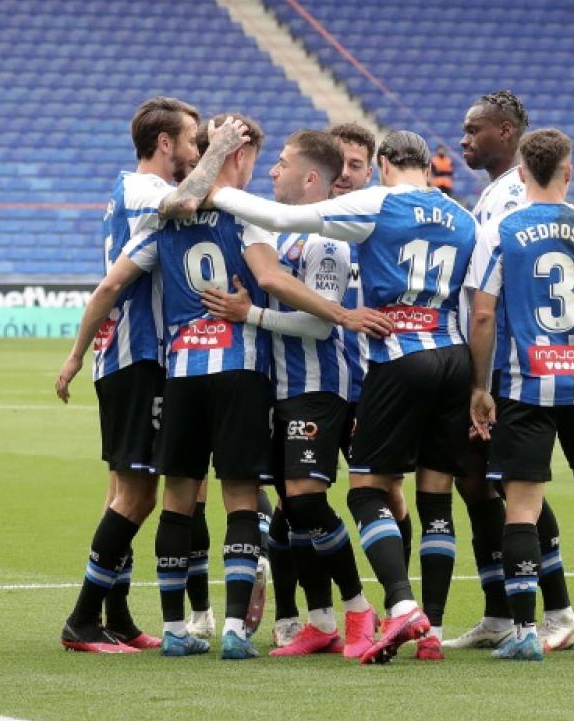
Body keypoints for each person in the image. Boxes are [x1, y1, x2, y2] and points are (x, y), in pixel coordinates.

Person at [56, 113, 388, 660]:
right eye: (262, 160)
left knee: (176, 502)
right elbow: (273, 280)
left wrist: (75, 353)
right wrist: (341, 314)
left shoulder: (161, 224)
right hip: (242, 368)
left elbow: (113, 282)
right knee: (240, 499)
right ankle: (234, 628)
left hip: (182, 371)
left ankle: (178, 629)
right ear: (237, 155)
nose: (268, 170)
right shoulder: (241, 215)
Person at [207, 129, 476, 664]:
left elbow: (285, 233)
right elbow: (475, 301)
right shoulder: (461, 216)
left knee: (365, 493)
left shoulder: (374, 205)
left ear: (381, 164)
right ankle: (421, 626)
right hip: (452, 354)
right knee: (429, 494)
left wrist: (207, 186)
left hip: (384, 359)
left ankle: (385, 607)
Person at [201, 130, 378, 658]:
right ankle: (320, 621)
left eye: (280, 164)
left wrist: (248, 313)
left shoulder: (329, 240)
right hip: (276, 387)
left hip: (318, 385)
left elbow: (319, 326)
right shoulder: (278, 236)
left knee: (305, 500)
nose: (272, 171)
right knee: (292, 507)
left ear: (309, 179)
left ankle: (359, 609)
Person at [465, 128, 574, 660]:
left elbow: (484, 312)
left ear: (521, 173)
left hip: (524, 383)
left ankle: (522, 633)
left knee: (521, 508)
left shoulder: (500, 229)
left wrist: (479, 385)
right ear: (568, 172)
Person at [56, 96, 201, 653]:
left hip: (123, 356)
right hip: (139, 356)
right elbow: (114, 283)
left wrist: (79, 354)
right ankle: (82, 619)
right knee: (137, 498)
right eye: (190, 141)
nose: (196, 152)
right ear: (164, 144)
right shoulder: (149, 191)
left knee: (121, 491)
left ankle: (114, 613)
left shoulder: (129, 191)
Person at [450, 90, 574, 652]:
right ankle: (499, 612)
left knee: (514, 486)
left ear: (505, 132)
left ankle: (559, 611)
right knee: (478, 484)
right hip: (486, 363)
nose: (463, 139)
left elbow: (502, 295)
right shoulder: (494, 194)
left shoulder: (512, 199)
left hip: (506, 368)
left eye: (473, 128)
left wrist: (485, 378)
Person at [328, 122, 417, 603]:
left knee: (386, 492)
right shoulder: (306, 223)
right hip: (317, 382)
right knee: (298, 497)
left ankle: (395, 602)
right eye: (337, 163)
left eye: (355, 165)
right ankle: (307, 615)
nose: (343, 173)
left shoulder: (387, 225)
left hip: (375, 383)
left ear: (373, 172)